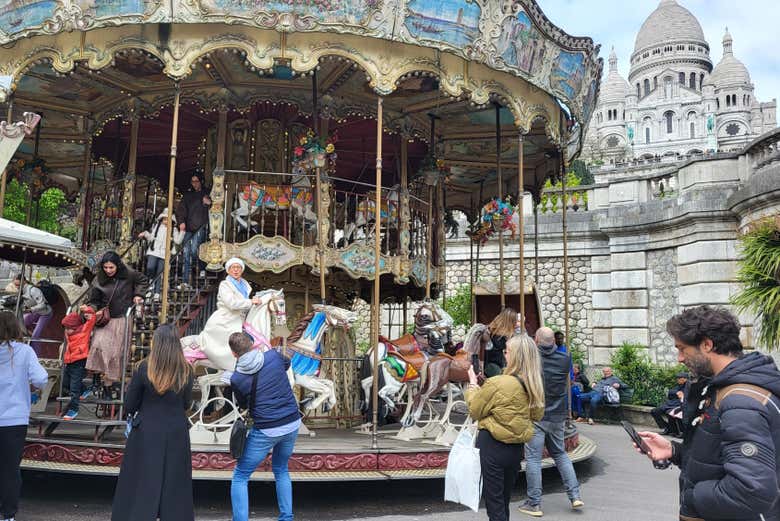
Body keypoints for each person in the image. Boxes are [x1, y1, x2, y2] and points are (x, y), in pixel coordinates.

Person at [636, 306, 780, 521]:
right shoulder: (722, 388)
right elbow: (721, 456)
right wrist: (675, 451)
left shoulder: (740, 402)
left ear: (707, 344)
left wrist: (693, 497)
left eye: (682, 349)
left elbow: (751, 489)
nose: (680, 358)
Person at [111, 325, 194, 521]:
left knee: (141, 479)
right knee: (175, 481)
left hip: (147, 429)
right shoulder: (186, 370)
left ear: (156, 343)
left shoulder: (144, 367)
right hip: (176, 429)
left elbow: (130, 404)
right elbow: (186, 403)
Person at [465, 334, 545, 521]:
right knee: (503, 500)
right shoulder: (534, 384)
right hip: (516, 449)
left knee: (494, 504)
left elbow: (475, 410)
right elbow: (537, 415)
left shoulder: (498, 382)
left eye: (506, 351)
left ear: (514, 355)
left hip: (492, 445)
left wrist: (472, 385)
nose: (504, 354)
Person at [228, 332, 300, 521]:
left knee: (241, 475)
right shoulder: (273, 356)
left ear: (234, 354)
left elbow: (243, 405)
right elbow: (287, 364)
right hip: (292, 422)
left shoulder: (237, 378)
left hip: (267, 428)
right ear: (252, 345)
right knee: (281, 468)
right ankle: (286, 517)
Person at [519, 327, 583, 517]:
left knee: (533, 459)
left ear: (536, 340)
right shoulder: (565, 359)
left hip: (537, 413)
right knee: (560, 454)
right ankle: (575, 496)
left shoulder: (532, 359)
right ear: (554, 341)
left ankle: (534, 503)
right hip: (558, 414)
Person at [0, 311, 48, 521]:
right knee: (10, 470)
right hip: (14, 419)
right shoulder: (25, 351)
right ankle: (8, 514)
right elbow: (40, 379)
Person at [181, 257, 262, 371]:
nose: (236, 270)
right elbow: (232, 304)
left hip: (239, 318)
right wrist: (250, 302)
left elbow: (244, 304)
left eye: (238, 267)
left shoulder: (244, 285)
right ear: (228, 270)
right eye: (233, 267)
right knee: (228, 343)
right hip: (226, 318)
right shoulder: (225, 284)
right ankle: (231, 366)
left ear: (242, 270)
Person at [86, 251, 148, 393]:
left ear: (117, 266)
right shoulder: (98, 279)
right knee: (98, 345)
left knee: (114, 353)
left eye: (111, 268)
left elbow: (143, 280)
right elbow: (94, 300)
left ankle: (108, 386)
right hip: (105, 318)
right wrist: (92, 310)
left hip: (121, 318)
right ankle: (96, 376)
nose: (108, 271)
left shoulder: (128, 273)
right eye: (105, 267)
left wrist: (138, 294)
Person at [138, 208, 184, 300]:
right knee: (150, 267)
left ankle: (157, 292)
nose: (166, 221)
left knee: (159, 272)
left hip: (164, 254)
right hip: (154, 251)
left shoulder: (173, 230)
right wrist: (145, 234)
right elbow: (151, 237)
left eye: (168, 219)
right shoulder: (157, 227)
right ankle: (151, 283)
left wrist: (182, 231)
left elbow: (178, 241)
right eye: (164, 219)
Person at [60, 305, 97, 420]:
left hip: (80, 361)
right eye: (65, 328)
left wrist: (87, 310)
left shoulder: (84, 331)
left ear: (75, 327)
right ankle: (85, 389)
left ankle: (73, 409)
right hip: (69, 361)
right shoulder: (69, 333)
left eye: (68, 328)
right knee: (65, 382)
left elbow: (92, 319)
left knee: (74, 388)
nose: (66, 330)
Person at [175, 174, 211, 288]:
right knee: (186, 254)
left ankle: (201, 267)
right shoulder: (187, 196)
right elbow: (181, 210)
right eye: (193, 181)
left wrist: (209, 203)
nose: (195, 183)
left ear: (201, 181)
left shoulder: (207, 193)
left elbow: (216, 206)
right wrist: (181, 221)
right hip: (189, 227)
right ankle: (185, 280)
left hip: (201, 226)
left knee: (195, 250)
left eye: (196, 181)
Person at [13, 275, 52, 354]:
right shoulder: (21, 291)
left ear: (24, 282)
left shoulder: (33, 290)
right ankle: (26, 337)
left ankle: (36, 355)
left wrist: (31, 309)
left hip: (45, 313)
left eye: (18, 285)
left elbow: (43, 305)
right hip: (36, 312)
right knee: (19, 324)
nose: (17, 287)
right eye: (16, 285)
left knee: (35, 336)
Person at [650, 371, 687, 436]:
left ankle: (674, 430)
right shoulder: (678, 386)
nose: (677, 379)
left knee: (670, 413)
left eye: (679, 378)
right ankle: (667, 427)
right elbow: (670, 393)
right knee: (654, 411)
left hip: (677, 405)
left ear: (684, 379)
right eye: (677, 378)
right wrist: (676, 393)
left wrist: (680, 394)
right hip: (669, 404)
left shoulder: (688, 386)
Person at [484, 307, 518, 378]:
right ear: (511, 322)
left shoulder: (491, 331)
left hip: (491, 367)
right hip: (495, 368)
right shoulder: (501, 336)